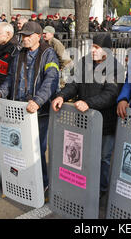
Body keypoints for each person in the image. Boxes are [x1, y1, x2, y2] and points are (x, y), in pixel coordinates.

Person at [0, 21, 59, 199]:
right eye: (23, 35)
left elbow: (51, 80)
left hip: (38, 111)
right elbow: (11, 78)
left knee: (37, 149)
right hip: (18, 109)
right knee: (18, 147)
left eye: (29, 35)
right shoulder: (19, 54)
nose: (25, 38)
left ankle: (42, 183)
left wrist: (38, 101)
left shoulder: (48, 54)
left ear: (38, 36)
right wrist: (0, 92)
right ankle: (20, 180)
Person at [51, 33, 123, 198]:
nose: (92, 50)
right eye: (91, 46)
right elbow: (74, 84)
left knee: (103, 158)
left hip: (105, 122)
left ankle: (101, 190)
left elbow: (111, 94)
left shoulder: (115, 67)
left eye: (96, 47)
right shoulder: (84, 62)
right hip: (83, 121)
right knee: (83, 156)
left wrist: (89, 103)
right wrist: (62, 96)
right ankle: (83, 184)